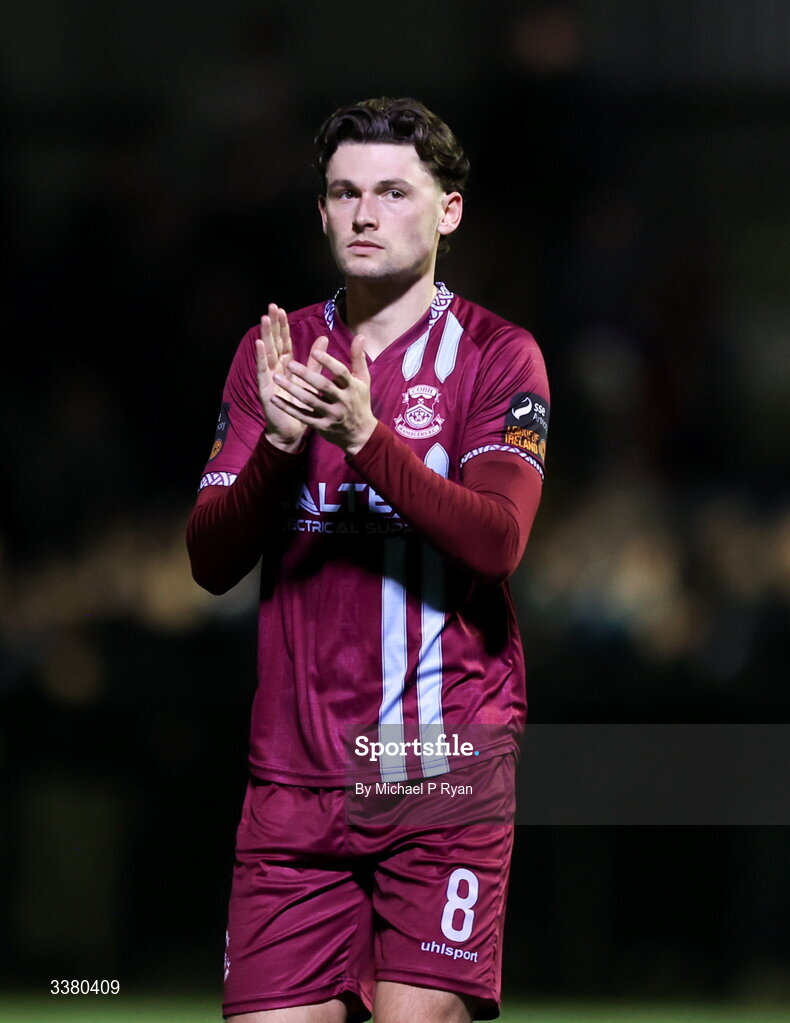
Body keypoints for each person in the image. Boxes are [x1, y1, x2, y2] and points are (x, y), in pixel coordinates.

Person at [187, 97, 550, 1023]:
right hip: (294, 779)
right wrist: (275, 444)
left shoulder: (499, 357)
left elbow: (497, 541)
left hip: (439, 768)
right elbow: (210, 559)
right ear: (320, 211)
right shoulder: (272, 357)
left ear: (448, 210)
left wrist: (366, 439)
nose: (363, 213)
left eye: (393, 191)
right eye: (344, 192)